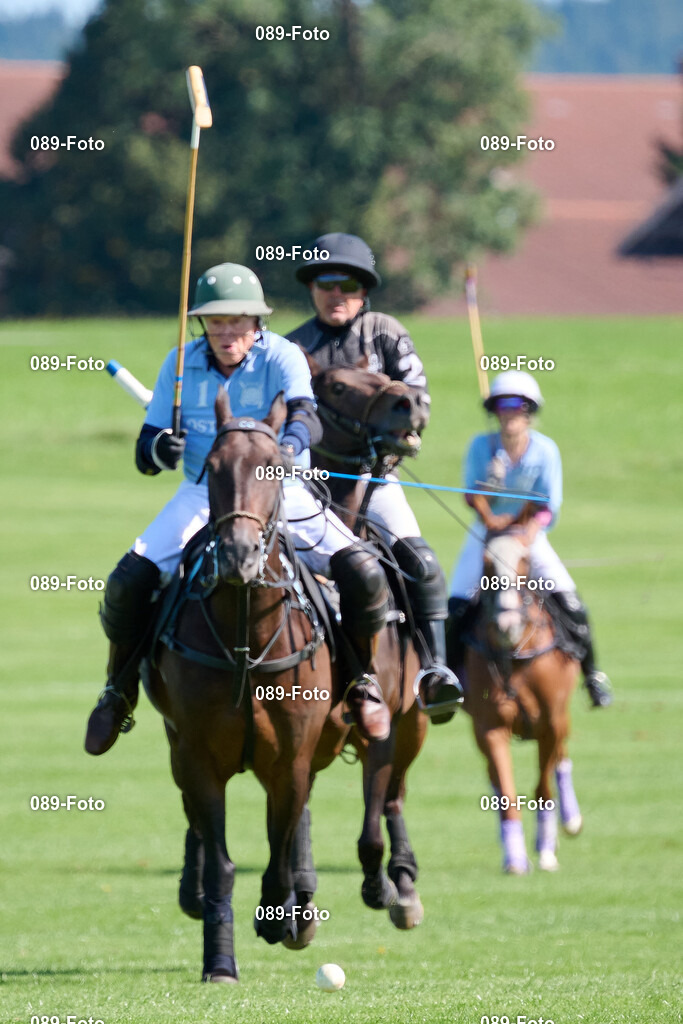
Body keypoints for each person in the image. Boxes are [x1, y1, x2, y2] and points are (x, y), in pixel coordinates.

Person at [84, 263, 394, 756]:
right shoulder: (180, 364)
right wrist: (162, 448)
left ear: (257, 323)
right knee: (129, 579)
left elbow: (306, 418)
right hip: (203, 491)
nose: (226, 333)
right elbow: (147, 449)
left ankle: (362, 681)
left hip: (279, 488)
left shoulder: (283, 355)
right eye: (215, 322)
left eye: (237, 322)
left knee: (363, 572)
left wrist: (287, 450)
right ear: (203, 324)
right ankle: (117, 692)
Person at [286, 233, 462, 722]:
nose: (336, 292)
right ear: (312, 289)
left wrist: (404, 427)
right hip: (308, 484)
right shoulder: (292, 346)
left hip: (374, 478)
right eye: (325, 282)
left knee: (420, 560)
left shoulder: (384, 331)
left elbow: (418, 396)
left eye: (347, 283)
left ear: (363, 290)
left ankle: (435, 671)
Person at [447, 370, 612, 708]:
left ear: (529, 412)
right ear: (494, 411)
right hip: (486, 534)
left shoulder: (546, 451)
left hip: (530, 536)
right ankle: (449, 677)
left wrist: (528, 533)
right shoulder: (481, 446)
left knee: (571, 601)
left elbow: (548, 505)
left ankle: (592, 675)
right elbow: (470, 498)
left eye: (518, 408)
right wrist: (489, 489)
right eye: (502, 407)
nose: (510, 414)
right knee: (457, 603)